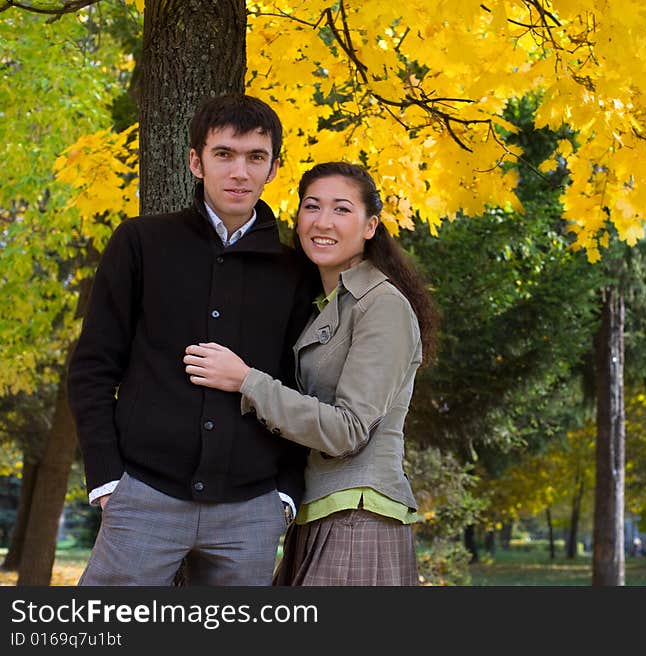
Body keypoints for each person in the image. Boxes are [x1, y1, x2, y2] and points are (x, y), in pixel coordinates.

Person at [67, 93, 317, 586]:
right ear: (195, 162)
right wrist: (107, 479)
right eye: (224, 154)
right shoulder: (140, 243)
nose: (239, 172)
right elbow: (93, 366)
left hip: (252, 507)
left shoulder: (295, 270)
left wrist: (284, 495)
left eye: (255, 157)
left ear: (274, 169)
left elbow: (302, 386)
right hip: (142, 494)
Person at [182, 161, 439, 586]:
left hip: (359, 514)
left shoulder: (382, 305)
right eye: (312, 206)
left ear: (370, 226)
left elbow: (348, 430)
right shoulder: (327, 303)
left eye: (341, 210)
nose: (323, 222)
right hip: (317, 511)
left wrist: (246, 380)